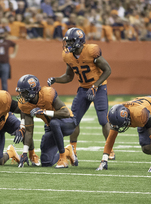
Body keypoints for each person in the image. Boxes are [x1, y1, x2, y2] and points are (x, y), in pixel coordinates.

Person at [47, 28, 113, 162]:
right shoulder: (68, 55)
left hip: (98, 88)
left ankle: (109, 149)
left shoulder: (91, 51)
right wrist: (56, 79)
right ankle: (73, 150)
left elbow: (107, 70)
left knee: (103, 119)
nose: (68, 44)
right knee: (73, 120)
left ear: (79, 41)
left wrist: (95, 86)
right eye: (67, 41)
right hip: (83, 89)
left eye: (71, 41)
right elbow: (68, 77)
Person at [16, 74, 78, 168]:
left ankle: (63, 158)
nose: (22, 95)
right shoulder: (24, 105)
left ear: (33, 91)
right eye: (21, 92)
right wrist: (25, 152)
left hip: (68, 122)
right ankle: (68, 151)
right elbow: (29, 131)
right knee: (46, 162)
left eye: (24, 92)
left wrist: (44, 112)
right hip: (51, 128)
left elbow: (66, 113)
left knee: (54, 122)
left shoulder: (47, 94)